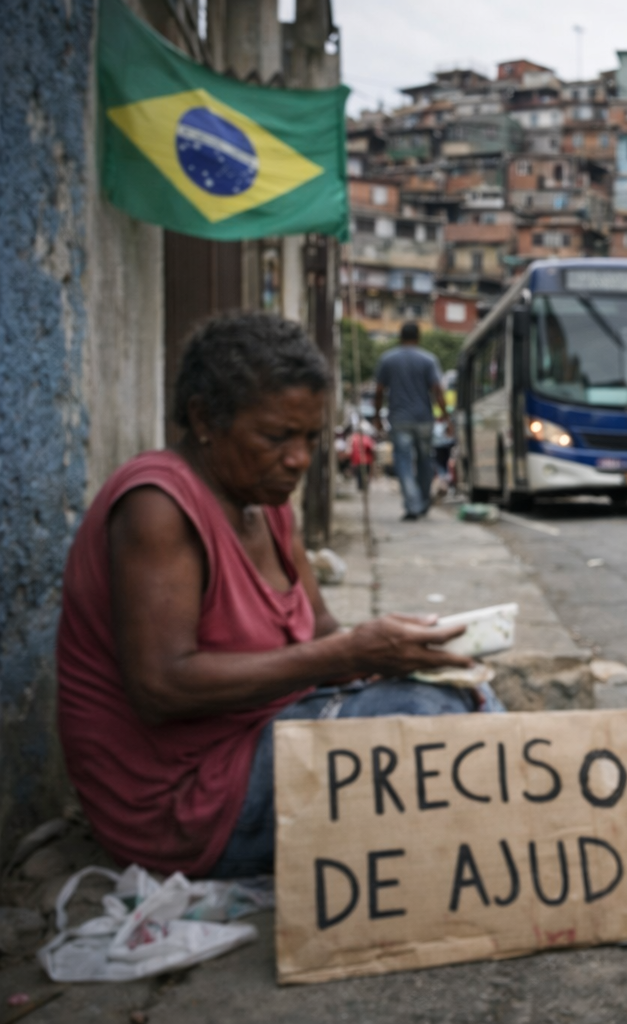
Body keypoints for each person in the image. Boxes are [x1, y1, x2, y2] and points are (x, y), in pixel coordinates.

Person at [56, 313, 479, 879]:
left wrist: (402, 648)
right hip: (183, 803)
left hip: (256, 741)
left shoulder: (267, 502)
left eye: (310, 438)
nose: (299, 459)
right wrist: (352, 654)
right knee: (429, 720)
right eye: (277, 438)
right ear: (204, 420)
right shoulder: (158, 505)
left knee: (464, 694)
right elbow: (161, 687)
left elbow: (323, 634)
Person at [374, 320, 447, 521]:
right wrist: (446, 416)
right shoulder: (428, 359)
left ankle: (413, 505)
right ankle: (422, 502)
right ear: (418, 337)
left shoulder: (387, 359)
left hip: (399, 420)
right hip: (424, 419)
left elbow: (379, 391)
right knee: (425, 461)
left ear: (400, 337)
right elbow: (437, 390)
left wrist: (377, 417)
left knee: (403, 462)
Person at [348, 422, 376, 492]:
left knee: (359, 474)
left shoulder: (353, 438)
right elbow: (371, 448)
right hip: (365, 460)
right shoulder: (366, 438)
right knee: (365, 473)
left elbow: (350, 449)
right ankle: (364, 486)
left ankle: (360, 487)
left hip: (356, 460)